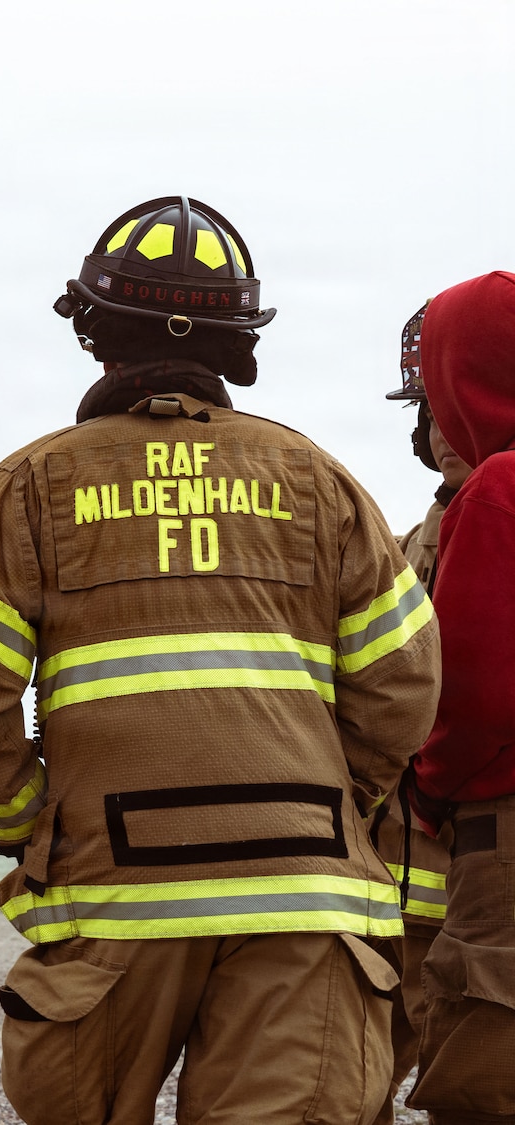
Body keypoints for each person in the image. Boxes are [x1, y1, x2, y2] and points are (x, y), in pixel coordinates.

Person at [0, 196, 442, 1124]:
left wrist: (33, 825)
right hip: (303, 899)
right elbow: (402, 679)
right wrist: (336, 804)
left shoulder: (31, 487)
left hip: (115, 899)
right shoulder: (318, 482)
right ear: (240, 343)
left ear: (94, 333)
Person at [404, 270, 515, 1124]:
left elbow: (472, 687)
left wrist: (426, 782)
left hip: (500, 838)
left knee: (485, 1077)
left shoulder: (499, 487)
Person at [370, 300, 464, 1123]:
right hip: (403, 893)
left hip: (474, 883)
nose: (433, 432)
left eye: (442, 408)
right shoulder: (413, 541)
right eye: (424, 412)